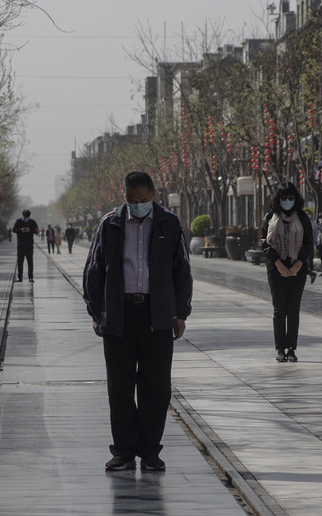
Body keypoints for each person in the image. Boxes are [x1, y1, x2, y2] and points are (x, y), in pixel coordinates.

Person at [83, 171, 191, 472]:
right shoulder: (110, 224)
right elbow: (94, 270)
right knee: (120, 387)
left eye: (144, 200)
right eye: (133, 201)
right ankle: (123, 452)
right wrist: (96, 313)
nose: (139, 206)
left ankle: (150, 452)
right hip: (120, 316)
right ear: (124, 196)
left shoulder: (169, 224)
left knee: (156, 389)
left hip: (157, 317)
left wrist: (181, 313)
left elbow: (181, 270)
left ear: (153, 195)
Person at [260, 183, 313, 363]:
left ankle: (291, 349)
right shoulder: (270, 218)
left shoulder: (303, 218)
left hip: (298, 268)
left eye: (291, 198)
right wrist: (278, 264)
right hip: (276, 269)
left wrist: (299, 263)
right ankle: (280, 349)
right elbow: (264, 243)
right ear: (278, 199)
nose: (288, 201)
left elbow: (309, 243)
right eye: (284, 198)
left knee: (293, 310)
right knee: (279, 310)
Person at [12, 210, 39, 282]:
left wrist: (30, 230)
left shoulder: (32, 222)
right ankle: (20, 277)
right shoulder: (18, 221)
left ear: (29, 216)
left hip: (29, 245)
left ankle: (30, 277)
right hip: (20, 245)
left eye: (27, 217)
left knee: (30, 261)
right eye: (25, 217)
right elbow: (13, 229)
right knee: (20, 262)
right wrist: (21, 230)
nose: (25, 218)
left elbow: (37, 232)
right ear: (22, 215)